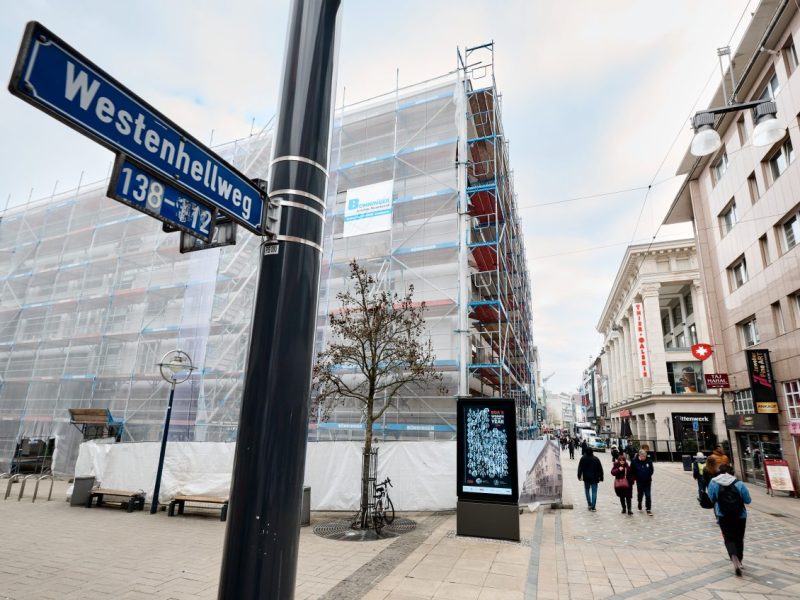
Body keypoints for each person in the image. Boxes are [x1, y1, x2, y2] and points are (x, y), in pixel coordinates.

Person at [707, 464, 752, 577]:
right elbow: (748, 500)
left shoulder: (714, 483)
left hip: (722, 514)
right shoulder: (739, 483)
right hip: (740, 515)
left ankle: (733, 556)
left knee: (728, 537)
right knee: (739, 537)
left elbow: (711, 498)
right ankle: (740, 559)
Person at [577, 447, 603, 511]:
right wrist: (601, 477)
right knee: (594, 492)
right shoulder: (596, 459)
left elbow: (580, 468)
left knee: (587, 490)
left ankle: (589, 504)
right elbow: (600, 469)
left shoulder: (583, 458)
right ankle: (593, 507)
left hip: (586, 478)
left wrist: (579, 476)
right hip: (595, 478)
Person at [632, 449, 654, 515]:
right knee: (640, 494)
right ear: (640, 455)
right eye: (643, 457)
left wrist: (648, 475)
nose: (644, 458)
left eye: (645, 456)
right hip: (639, 481)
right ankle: (639, 502)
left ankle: (648, 509)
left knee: (648, 495)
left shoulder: (649, 461)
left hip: (647, 481)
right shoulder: (634, 461)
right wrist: (635, 477)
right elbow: (632, 470)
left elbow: (651, 470)